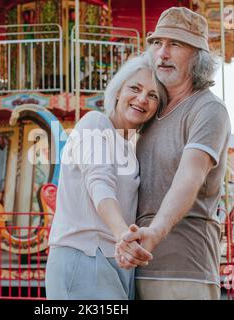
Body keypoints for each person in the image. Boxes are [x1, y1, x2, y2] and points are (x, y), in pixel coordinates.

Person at [115, 7, 231, 300]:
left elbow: (189, 176)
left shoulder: (207, 109)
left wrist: (156, 231)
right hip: (137, 267)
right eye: (157, 43)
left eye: (175, 44)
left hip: (184, 269)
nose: (162, 53)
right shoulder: (152, 113)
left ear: (198, 57)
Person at [45, 53, 167, 300]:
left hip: (118, 259)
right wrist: (123, 234)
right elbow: (99, 183)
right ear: (118, 91)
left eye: (152, 95)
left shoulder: (130, 149)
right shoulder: (95, 123)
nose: (142, 99)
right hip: (84, 256)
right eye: (135, 88)